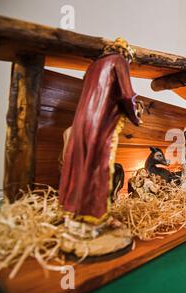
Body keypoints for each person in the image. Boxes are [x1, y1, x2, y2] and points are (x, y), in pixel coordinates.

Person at [59, 38, 143, 226]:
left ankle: (73, 212)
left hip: (83, 120)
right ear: (125, 53)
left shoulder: (93, 66)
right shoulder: (119, 61)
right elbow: (126, 94)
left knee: (81, 165)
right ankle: (96, 216)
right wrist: (135, 116)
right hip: (101, 122)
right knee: (99, 166)